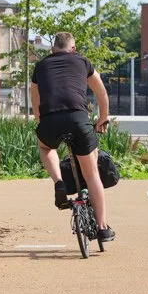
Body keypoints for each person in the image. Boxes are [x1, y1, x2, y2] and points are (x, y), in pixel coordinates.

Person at [31, 32, 112, 241]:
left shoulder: (40, 66)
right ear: (73, 49)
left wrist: (42, 123)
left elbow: (35, 101)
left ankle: (59, 182)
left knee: (46, 147)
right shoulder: (83, 62)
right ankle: (102, 228)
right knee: (92, 172)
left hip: (50, 119)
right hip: (78, 119)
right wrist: (102, 119)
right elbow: (101, 91)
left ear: (52, 49)